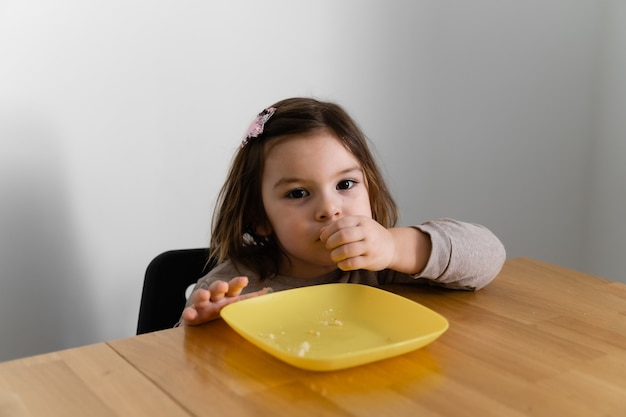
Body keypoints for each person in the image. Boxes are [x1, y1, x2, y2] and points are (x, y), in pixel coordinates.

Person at [180, 97, 506, 326]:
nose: (330, 209)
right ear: (260, 217)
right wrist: (203, 331)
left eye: (346, 184)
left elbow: (489, 256)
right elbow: (176, 365)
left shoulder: (383, 267)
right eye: (298, 193)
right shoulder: (235, 284)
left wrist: (397, 247)